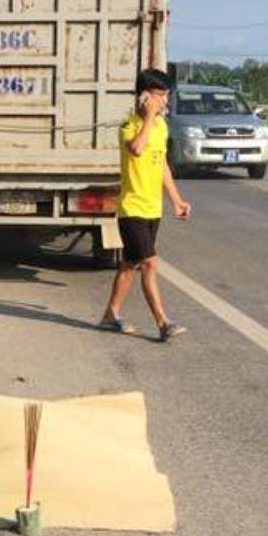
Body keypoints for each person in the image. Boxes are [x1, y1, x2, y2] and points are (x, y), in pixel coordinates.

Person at [99, 68, 192, 342]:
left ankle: (110, 315)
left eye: (165, 96)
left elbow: (161, 164)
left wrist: (177, 200)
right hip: (132, 209)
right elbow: (137, 149)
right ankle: (164, 323)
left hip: (153, 209)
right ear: (143, 97)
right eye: (159, 96)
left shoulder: (161, 127)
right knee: (150, 264)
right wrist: (149, 116)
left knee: (129, 265)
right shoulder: (128, 126)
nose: (164, 101)